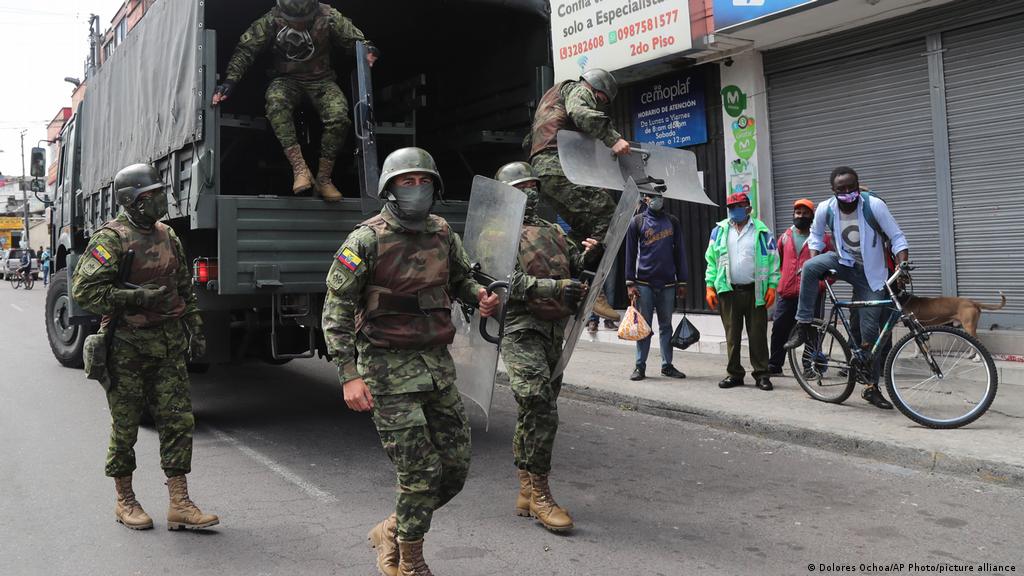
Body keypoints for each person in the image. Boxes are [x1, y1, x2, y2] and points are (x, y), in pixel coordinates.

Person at [322, 148, 500, 576]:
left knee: (453, 471)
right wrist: (349, 375)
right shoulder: (366, 240)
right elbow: (336, 308)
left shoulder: (442, 233)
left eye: (423, 182)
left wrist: (480, 296)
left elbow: (460, 277)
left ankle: (391, 530)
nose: (416, 189)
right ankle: (410, 560)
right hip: (385, 369)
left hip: (436, 367)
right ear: (389, 189)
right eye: (407, 182)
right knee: (420, 471)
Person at [72, 164, 217, 531]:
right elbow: (83, 292)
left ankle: (180, 502)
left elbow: (185, 287)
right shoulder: (111, 239)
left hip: (168, 344)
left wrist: (195, 328)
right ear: (134, 202)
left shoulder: (168, 235)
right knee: (126, 427)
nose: (163, 201)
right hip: (126, 347)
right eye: (154, 196)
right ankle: (125, 500)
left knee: (179, 422)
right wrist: (135, 298)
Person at [494, 161, 593, 534]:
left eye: (533, 185)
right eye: (521, 187)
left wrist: (590, 257)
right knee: (539, 403)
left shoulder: (552, 229)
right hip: (521, 329)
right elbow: (503, 282)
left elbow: (573, 265)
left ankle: (524, 488)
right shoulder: (497, 233)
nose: (530, 192)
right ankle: (540, 493)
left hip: (554, 329)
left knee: (534, 409)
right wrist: (554, 289)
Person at [211, 0, 376, 202]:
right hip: (286, 80)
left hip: (321, 80)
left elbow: (354, 40)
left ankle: (324, 178)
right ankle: (300, 168)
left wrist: (368, 50)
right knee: (276, 101)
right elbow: (247, 49)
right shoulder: (272, 19)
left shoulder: (328, 16)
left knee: (339, 115)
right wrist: (230, 81)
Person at [785, 167, 909, 409]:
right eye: (841, 189)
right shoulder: (825, 208)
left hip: (871, 275)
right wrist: (815, 258)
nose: (847, 192)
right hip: (844, 262)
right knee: (810, 267)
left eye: (851, 187)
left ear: (858, 185)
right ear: (833, 191)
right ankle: (803, 324)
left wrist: (902, 264)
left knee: (869, 332)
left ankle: (870, 387)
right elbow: (816, 237)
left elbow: (897, 238)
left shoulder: (874, 205)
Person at [528, 68, 628, 322]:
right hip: (557, 165)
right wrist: (612, 138)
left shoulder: (552, 95)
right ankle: (592, 290)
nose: (600, 105)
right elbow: (581, 112)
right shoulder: (578, 90)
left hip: (548, 171)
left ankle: (570, 274)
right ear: (597, 90)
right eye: (602, 101)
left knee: (585, 228)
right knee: (609, 216)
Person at [704, 192, 779, 391]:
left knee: (758, 335)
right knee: (732, 335)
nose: (734, 210)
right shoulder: (719, 231)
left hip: (755, 291)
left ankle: (762, 374)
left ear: (748, 207)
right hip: (728, 291)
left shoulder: (762, 231)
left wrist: (772, 286)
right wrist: (709, 286)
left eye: (738, 206)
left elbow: (772, 260)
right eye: (731, 207)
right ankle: (734, 373)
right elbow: (712, 260)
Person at [625, 193, 688, 381]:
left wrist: (682, 281)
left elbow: (680, 252)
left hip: (668, 283)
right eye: (652, 196)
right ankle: (639, 366)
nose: (656, 200)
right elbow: (630, 253)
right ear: (645, 199)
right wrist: (630, 282)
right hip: (644, 283)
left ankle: (667, 365)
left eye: (659, 196)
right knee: (644, 327)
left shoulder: (672, 222)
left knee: (666, 325)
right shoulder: (637, 222)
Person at [768, 198, 832, 375]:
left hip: (812, 294)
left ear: (812, 216)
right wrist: (779, 282)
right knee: (779, 328)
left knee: (813, 331)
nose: (801, 216)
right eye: (798, 213)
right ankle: (774, 365)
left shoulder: (823, 239)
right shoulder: (785, 237)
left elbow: (833, 266)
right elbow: (777, 262)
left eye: (805, 213)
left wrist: (821, 284)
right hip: (787, 292)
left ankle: (809, 367)